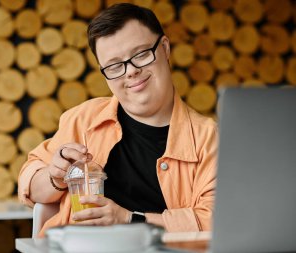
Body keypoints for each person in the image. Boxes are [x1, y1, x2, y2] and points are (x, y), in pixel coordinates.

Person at [18, 3, 217, 237]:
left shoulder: (208, 138)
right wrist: (55, 177)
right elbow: (30, 183)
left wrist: (128, 219)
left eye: (141, 55)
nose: (130, 72)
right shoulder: (83, 119)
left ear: (164, 48)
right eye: (114, 66)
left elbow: (214, 219)